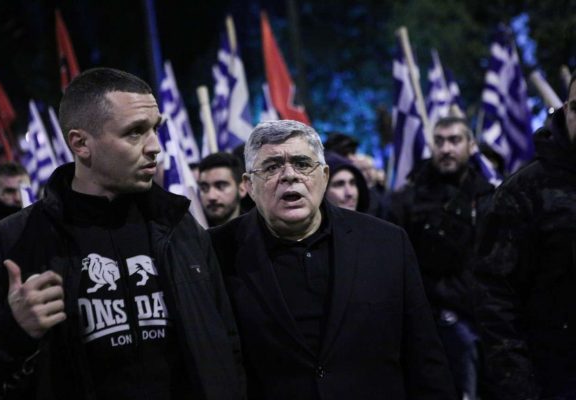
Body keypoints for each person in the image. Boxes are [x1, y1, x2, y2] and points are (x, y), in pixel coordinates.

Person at [0, 68, 244, 399]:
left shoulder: (180, 226)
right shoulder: (12, 242)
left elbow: (226, 345)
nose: (155, 147)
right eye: (135, 132)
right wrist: (12, 331)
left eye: (155, 129)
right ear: (81, 144)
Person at [209, 119, 455, 399]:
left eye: (302, 164)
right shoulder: (215, 251)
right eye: (272, 167)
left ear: (324, 176)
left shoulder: (386, 243)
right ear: (249, 186)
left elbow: (424, 355)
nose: (289, 175)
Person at [474, 72, 576, 399]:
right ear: (566, 111)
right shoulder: (524, 191)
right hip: (553, 377)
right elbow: (493, 296)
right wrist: (517, 384)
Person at [384, 116, 494, 400]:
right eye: (440, 141)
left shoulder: (489, 198)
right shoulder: (407, 200)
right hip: (427, 319)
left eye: (454, 140)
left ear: (470, 145)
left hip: (479, 316)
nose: (446, 149)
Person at [198, 152, 247, 227]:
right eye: (204, 188)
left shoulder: (260, 230)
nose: (211, 196)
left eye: (221, 186)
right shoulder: (190, 231)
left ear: (242, 189)